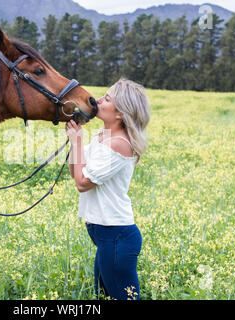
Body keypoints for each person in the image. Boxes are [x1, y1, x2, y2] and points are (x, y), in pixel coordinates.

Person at [66, 78, 150, 300]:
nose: (99, 100)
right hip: (108, 236)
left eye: (107, 98)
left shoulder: (118, 143)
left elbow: (82, 183)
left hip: (116, 236)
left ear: (121, 113)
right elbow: (75, 170)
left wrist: (76, 144)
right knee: (104, 297)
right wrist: (75, 140)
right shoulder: (102, 136)